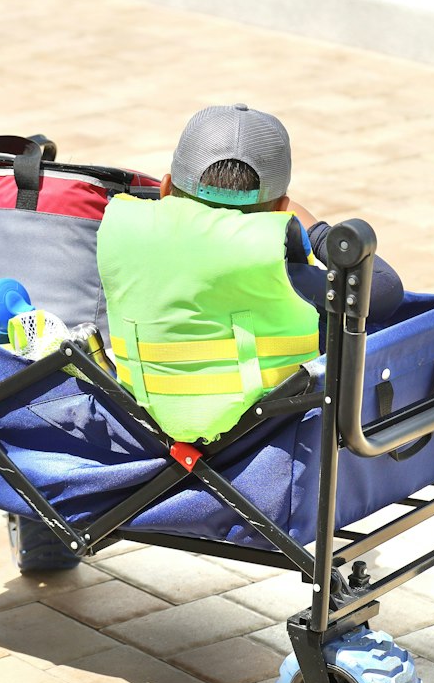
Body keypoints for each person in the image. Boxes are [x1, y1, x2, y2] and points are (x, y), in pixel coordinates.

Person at [96, 103, 403, 443]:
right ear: (281, 207)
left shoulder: (119, 231)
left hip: (146, 429)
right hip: (262, 440)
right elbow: (385, 290)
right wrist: (315, 231)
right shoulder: (275, 262)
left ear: (166, 187)